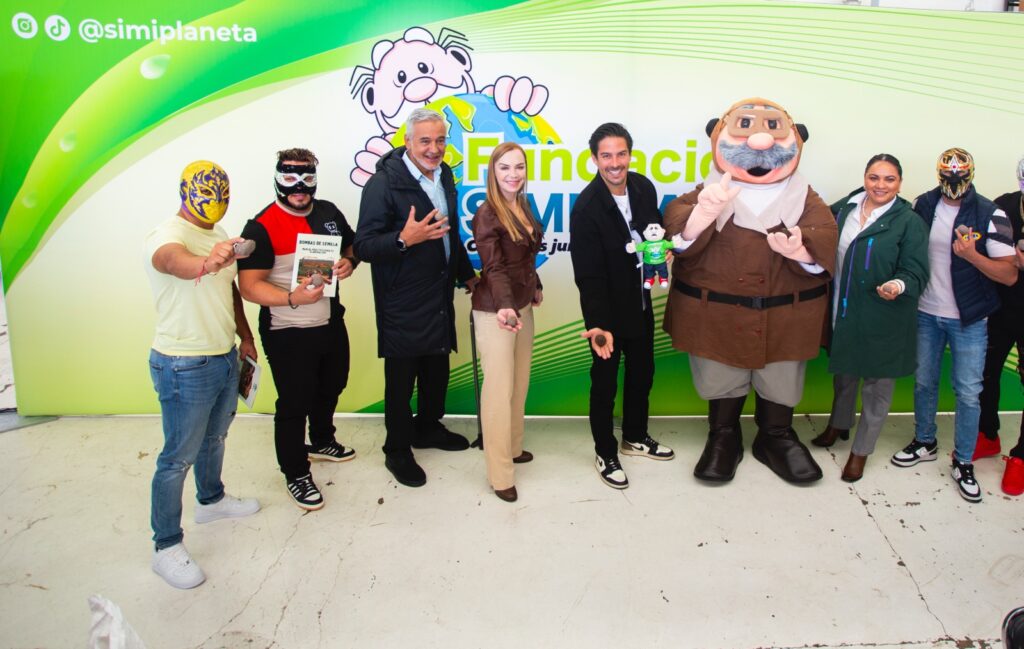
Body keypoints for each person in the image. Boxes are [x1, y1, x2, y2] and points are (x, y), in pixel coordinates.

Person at [663, 97, 837, 485]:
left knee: (781, 378)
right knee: (721, 375)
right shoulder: (708, 192)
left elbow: (825, 237)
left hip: (784, 317)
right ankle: (723, 435)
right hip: (719, 315)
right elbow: (676, 234)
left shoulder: (804, 197)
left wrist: (802, 249)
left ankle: (775, 436)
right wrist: (701, 216)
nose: (759, 146)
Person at [145, 160, 260, 589]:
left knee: (216, 437)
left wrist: (245, 338)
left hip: (223, 355)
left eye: (221, 189)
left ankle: (211, 500)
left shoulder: (216, 235)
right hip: (182, 362)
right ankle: (166, 546)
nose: (215, 197)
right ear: (186, 190)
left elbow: (229, 291)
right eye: (206, 190)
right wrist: (207, 263)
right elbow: (172, 263)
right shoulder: (167, 235)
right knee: (176, 458)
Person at [354, 108, 478, 488]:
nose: (434, 148)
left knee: (435, 370)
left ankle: (427, 428)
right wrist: (404, 239)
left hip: (438, 294)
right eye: (425, 141)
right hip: (401, 300)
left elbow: (448, 234)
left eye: (440, 140)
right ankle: (397, 448)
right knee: (402, 377)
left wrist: (467, 276)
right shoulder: (383, 184)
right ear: (407, 142)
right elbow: (363, 246)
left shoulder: (445, 176)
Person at [890, 148, 1017, 503]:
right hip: (927, 312)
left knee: (968, 391)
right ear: (938, 174)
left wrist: (973, 256)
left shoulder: (993, 213)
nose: (954, 183)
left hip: (970, 317)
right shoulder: (923, 205)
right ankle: (925, 440)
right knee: (924, 381)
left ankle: (963, 460)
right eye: (948, 176)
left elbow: (1008, 275)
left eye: (960, 176)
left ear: (971, 174)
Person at [237, 148, 358, 511]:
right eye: (290, 177)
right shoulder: (260, 226)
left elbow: (352, 245)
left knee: (334, 381)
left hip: (329, 320)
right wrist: (291, 298)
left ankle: (321, 440)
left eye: (306, 177)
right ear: (277, 177)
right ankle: (295, 472)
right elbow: (248, 285)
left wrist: (350, 262)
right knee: (294, 402)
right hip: (287, 329)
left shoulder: (328, 213)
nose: (300, 186)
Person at [569, 122, 675, 490]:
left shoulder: (643, 187)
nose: (615, 163)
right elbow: (587, 275)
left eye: (621, 154)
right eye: (606, 156)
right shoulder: (586, 208)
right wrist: (598, 326)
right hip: (606, 315)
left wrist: (663, 256)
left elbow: (654, 233)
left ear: (630, 154)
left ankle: (635, 437)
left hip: (640, 304)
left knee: (642, 374)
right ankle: (605, 451)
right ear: (594, 158)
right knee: (604, 385)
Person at [811, 154, 929, 482]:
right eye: (874, 177)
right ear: (865, 178)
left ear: (899, 183)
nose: (880, 185)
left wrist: (897, 284)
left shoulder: (909, 221)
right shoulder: (845, 208)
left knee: (877, 387)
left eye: (889, 179)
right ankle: (838, 424)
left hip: (886, 313)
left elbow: (917, 270)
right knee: (845, 373)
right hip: (845, 308)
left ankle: (861, 452)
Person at [470, 142, 544, 503]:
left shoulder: (524, 204)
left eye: (518, 167)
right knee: (498, 393)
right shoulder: (487, 214)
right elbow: (494, 267)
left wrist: (536, 286)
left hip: (522, 306)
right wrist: (504, 306)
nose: (513, 174)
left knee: (519, 383)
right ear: (492, 172)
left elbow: (526, 256)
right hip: (496, 312)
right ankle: (500, 475)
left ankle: (513, 448)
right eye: (504, 168)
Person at [976, 154, 1024, 496]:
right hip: (1001, 309)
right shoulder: (1003, 206)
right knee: (986, 372)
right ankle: (988, 434)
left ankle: (1021, 457)